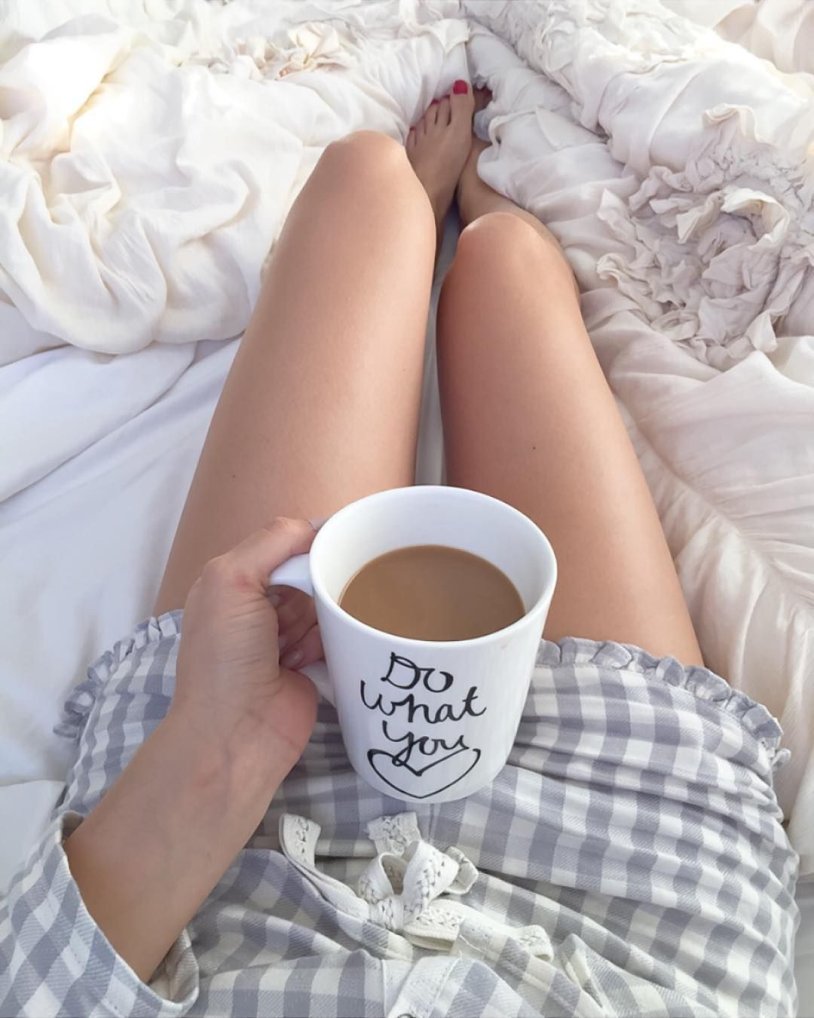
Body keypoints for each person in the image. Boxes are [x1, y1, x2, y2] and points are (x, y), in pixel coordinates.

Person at [0, 81, 798, 1017]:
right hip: (632, 886)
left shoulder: (220, 748)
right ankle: (480, 233)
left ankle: (415, 223)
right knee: (510, 266)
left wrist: (217, 752)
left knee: (361, 180)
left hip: (220, 826)